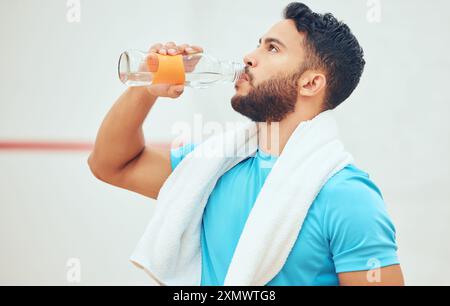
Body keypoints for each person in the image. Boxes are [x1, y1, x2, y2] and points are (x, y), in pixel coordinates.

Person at [88, 2, 404, 286]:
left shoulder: (349, 198)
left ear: (310, 83)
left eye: (273, 49)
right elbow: (110, 165)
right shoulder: (211, 168)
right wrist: (147, 85)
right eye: (258, 44)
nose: (249, 57)